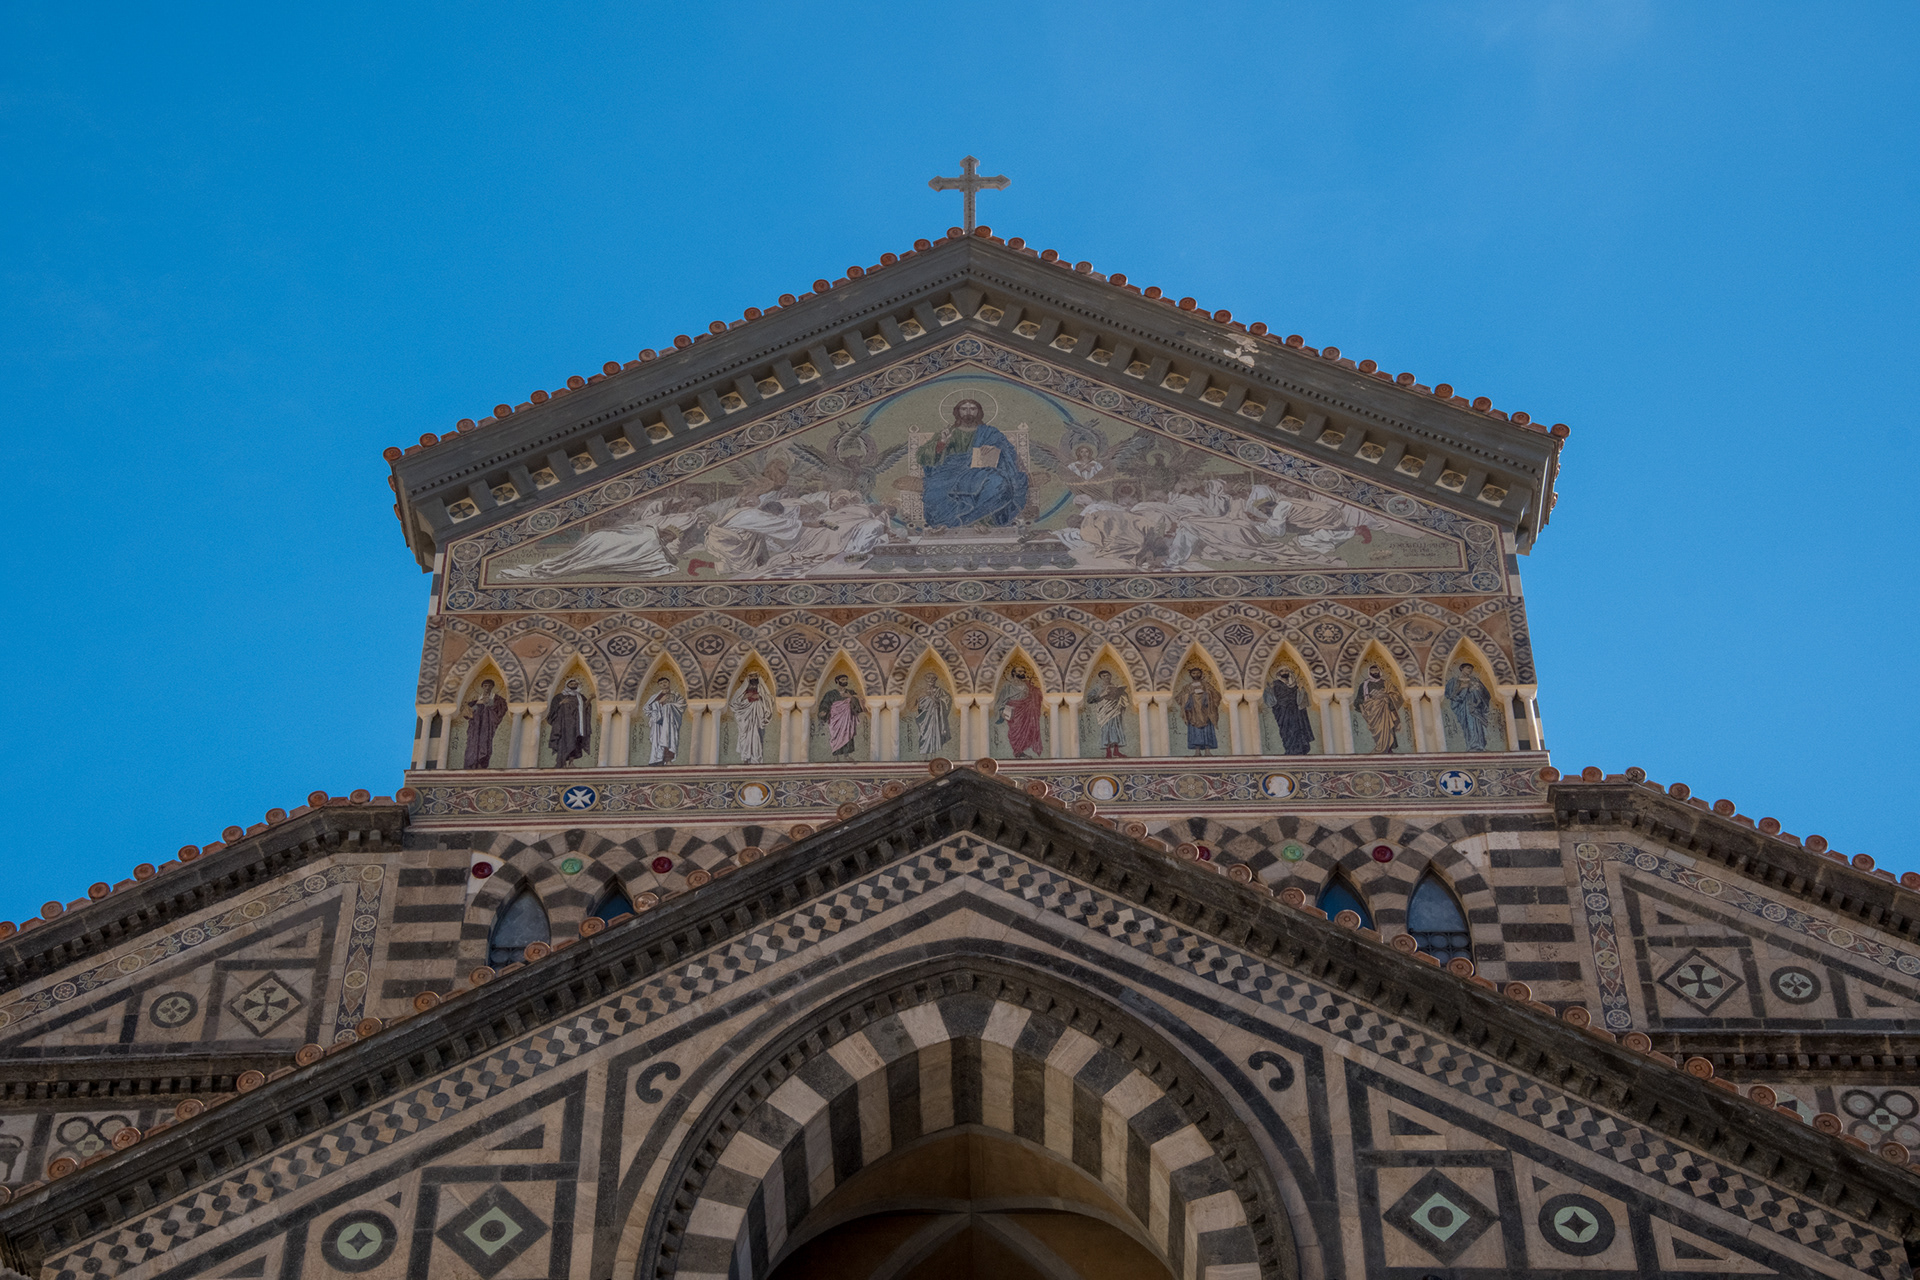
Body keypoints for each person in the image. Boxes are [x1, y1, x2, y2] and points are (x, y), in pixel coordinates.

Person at [916, 398, 1029, 528]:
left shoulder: (990, 432)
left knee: (999, 484)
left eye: (973, 409)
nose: (968, 412)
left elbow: (1008, 451)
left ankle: (977, 521)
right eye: (964, 409)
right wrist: (941, 443)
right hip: (951, 471)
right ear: (957, 412)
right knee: (935, 489)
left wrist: (995, 448)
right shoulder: (948, 432)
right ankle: (945, 523)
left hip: (982, 471)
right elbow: (922, 456)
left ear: (978, 412)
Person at [705, 498, 804, 576]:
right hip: (726, 541)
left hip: (724, 537)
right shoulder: (756, 516)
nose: (774, 518)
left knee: (759, 538)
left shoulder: (753, 512)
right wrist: (810, 524)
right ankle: (699, 564)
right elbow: (783, 524)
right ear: (770, 513)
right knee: (744, 565)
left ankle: (763, 562)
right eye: (774, 516)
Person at [1444, 662, 1496, 752]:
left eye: (1471, 668)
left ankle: (1479, 745)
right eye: (1468, 668)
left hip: (1476, 706)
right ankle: (1471, 745)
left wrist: (1478, 698)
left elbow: (1485, 694)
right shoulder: (1455, 680)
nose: (1470, 670)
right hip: (1464, 707)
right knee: (1468, 725)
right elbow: (1450, 694)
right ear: (1462, 669)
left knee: (1477, 725)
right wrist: (1462, 688)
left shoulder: (1475, 680)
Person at [1355, 664, 1405, 754]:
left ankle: (1388, 749)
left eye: (1376, 670)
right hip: (1371, 711)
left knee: (1388, 728)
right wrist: (1363, 710)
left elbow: (1397, 696)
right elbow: (1359, 700)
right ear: (1369, 672)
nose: (1374, 672)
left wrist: (1385, 696)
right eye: (1372, 671)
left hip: (1385, 709)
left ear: (1379, 671)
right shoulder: (1364, 685)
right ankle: (1379, 747)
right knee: (1377, 731)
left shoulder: (1386, 683)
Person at [1264, 668, 1315, 756]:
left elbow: (1300, 700)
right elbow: (1272, 700)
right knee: (1287, 732)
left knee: (1298, 730)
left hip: (1296, 713)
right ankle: (1290, 750)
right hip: (1283, 713)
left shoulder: (1294, 684)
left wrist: (1300, 689)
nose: (1285, 673)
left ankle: (1300, 749)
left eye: (1287, 671)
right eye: (1283, 671)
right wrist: (1268, 690)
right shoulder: (1276, 685)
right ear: (1279, 673)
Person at [996, 666, 1044, 759]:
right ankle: (1018, 751)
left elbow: (1035, 693)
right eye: (1020, 671)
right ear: (1014, 673)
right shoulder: (1008, 686)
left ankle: (1022, 751)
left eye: (1023, 671)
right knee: (1015, 730)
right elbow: (1001, 700)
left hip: (1026, 710)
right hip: (1014, 711)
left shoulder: (1027, 684)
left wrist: (1036, 691)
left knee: (1028, 729)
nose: (1022, 673)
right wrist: (1002, 710)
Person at [546, 677, 594, 768]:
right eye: (571, 684)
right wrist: (560, 704)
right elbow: (553, 710)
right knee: (563, 743)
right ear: (567, 685)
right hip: (563, 726)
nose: (573, 686)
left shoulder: (580, 697)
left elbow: (585, 708)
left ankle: (571, 763)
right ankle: (561, 763)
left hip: (576, 726)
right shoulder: (560, 696)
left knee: (575, 743)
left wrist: (591, 698)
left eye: (575, 684)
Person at [815, 674, 866, 758]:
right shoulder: (830, 694)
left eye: (846, 679)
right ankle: (836, 756)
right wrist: (823, 711)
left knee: (848, 734)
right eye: (843, 679)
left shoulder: (850, 692)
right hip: (835, 718)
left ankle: (847, 755)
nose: (845, 681)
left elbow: (860, 704)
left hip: (847, 717)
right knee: (836, 736)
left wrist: (850, 697)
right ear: (837, 681)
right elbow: (825, 703)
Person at [462, 679, 509, 769]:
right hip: (475, 728)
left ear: (492, 687)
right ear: (482, 687)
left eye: (489, 686)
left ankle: (481, 763)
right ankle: (472, 764)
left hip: (487, 727)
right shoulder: (475, 699)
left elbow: (501, 709)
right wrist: (475, 707)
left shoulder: (497, 699)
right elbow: (467, 713)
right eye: (485, 686)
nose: (487, 688)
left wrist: (490, 705)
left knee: (485, 743)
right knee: (472, 744)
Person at [729, 675, 773, 764]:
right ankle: (746, 758)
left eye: (755, 683)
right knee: (745, 737)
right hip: (746, 721)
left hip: (756, 721)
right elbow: (735, 705)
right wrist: (747, 698)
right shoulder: (742, 694)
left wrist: (758, 698)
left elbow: (767, 705)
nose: (753, 686)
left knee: (756, 738)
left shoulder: (760, 695)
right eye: (751, 683)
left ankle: (755, 758)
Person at [642, 677, 685, 765]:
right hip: (658, 724)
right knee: (658, 741)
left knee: (669, 740)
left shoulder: (676, 695)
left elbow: (682, 705)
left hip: (670, 723)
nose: (663, 684)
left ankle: (668, 760)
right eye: (661, 683)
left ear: (669, 683)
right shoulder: (654, 697)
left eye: (665, 682)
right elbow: (646, 708)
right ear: (659, 685)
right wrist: (659, 703)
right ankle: (657, 760)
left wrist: (668, 707)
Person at [1085, 669, 1128, 758]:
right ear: (1100, 678)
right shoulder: (1097, 689)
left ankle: (1116, 751)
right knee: (1107, 729)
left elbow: (1124, 697)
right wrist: (1104, 694)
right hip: (1104, 712)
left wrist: (1121, 693)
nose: (1106, 677)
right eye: (1104, 676)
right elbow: (1090, 699)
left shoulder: (1115, 686)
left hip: (1115, 710)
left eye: (1108, 675)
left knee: (1116, 728)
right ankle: (1108, 752)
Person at [1180, 667, 1222, 755]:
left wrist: (1206, 694)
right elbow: (1180, 698)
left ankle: (1207, 751)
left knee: (1207, 731)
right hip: (1193, 713)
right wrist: (1189, 695)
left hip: (1206, 711)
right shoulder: (1187, 687)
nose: (1196, 675)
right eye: (1194, 673)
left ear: (1201, 674)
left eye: (1198, 673)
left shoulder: (1206, 685)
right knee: (1195, 731)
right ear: (1190, 674)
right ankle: (1197, 751)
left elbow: (1216, 695)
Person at [913, 674, 951, 757]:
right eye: (929, 678)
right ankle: (925, 755)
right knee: (924, 734)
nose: (931, 681)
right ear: (926, 680)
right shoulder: (921, 691)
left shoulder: (940, 691)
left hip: (935, 717)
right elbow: (914, 705)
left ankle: (934, 755)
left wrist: (938, 701)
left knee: (934, 734)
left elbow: (947, 700)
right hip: (924, 717)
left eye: (933, 679)